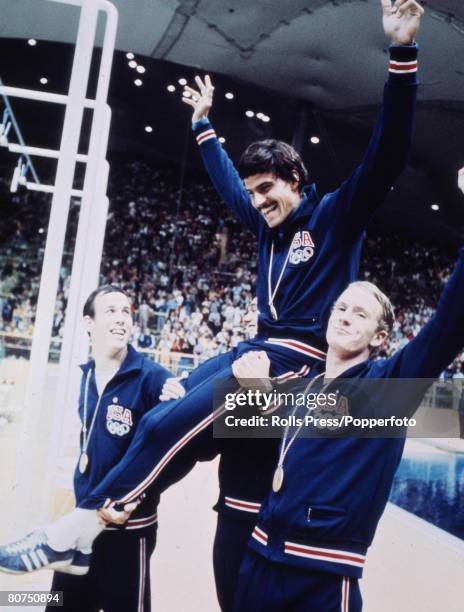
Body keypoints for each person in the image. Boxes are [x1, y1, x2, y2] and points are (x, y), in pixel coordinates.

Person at [0, 3, 424, 611]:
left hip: (295, 370)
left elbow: (385, 157)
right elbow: (228, 185)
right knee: (167, 402)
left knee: (163, 426)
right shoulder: (265, 230)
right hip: (254, 352)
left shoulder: (333, 218)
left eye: (268, 190)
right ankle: (101, 533)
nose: (258, 203)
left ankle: (78, 530)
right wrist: (203, 127)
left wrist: (402, 55)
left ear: (295, 179)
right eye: (253, 194)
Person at [231, 168, 464, 611]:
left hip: (320, 578)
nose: (344, 316)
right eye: (341, 307)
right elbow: (277, 432)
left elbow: (451, 325)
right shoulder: (305, 385)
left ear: (380, 337)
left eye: (360, 314)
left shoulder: (387, 389)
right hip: (258, 558)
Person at [44, 285, 170, 612]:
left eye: (126, 311)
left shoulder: (154, 379)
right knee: (60, 605)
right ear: (89, 323)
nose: (121, 318)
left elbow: (174, 451)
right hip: (82, 525)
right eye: (111, 310)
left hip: (127, 531)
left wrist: (135, 497)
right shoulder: (84, 377)